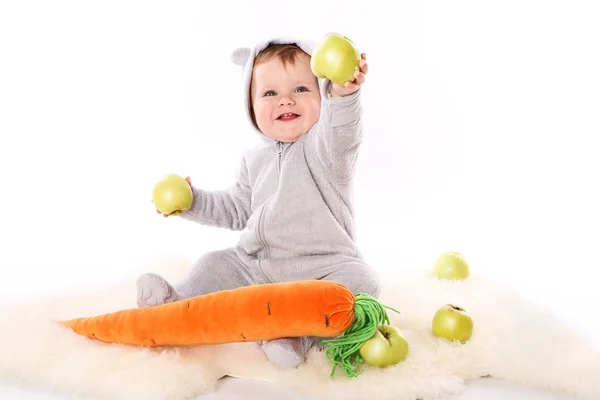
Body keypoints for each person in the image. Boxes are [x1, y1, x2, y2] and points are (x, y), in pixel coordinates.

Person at [136, 36, 381, 369]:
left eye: (300, 89)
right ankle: (174, 304)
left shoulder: (327, 150)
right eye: (270, 93)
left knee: (362, 284)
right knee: (213, 264)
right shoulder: (253, 160)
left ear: (320, 96)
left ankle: (296, 338)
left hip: (323, 268)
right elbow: (236, 209)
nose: (285, 101)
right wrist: (191, 202)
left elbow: (343, 129)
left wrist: (343, 92)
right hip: (255, 266)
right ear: (251, 106)